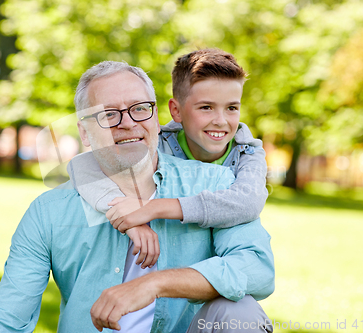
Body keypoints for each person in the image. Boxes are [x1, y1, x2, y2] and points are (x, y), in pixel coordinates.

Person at [0, 61, 274, 333]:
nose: (129, 123)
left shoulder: (215, 183)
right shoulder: (50, 212)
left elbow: (257, 269)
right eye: (109, 114)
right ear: (84, 131)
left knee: (240, 312)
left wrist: (155, 284)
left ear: (156, 117)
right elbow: (7, 318)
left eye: (140, 108)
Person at [73, 49, 267, 269]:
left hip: (221, 256)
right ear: (176, 110)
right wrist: (128, 219)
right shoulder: (158, 140)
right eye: (206, 107)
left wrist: (152, 208)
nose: (221, 121)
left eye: (232, 108)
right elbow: (82, 165)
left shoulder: (248, 154)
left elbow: (248, 203)